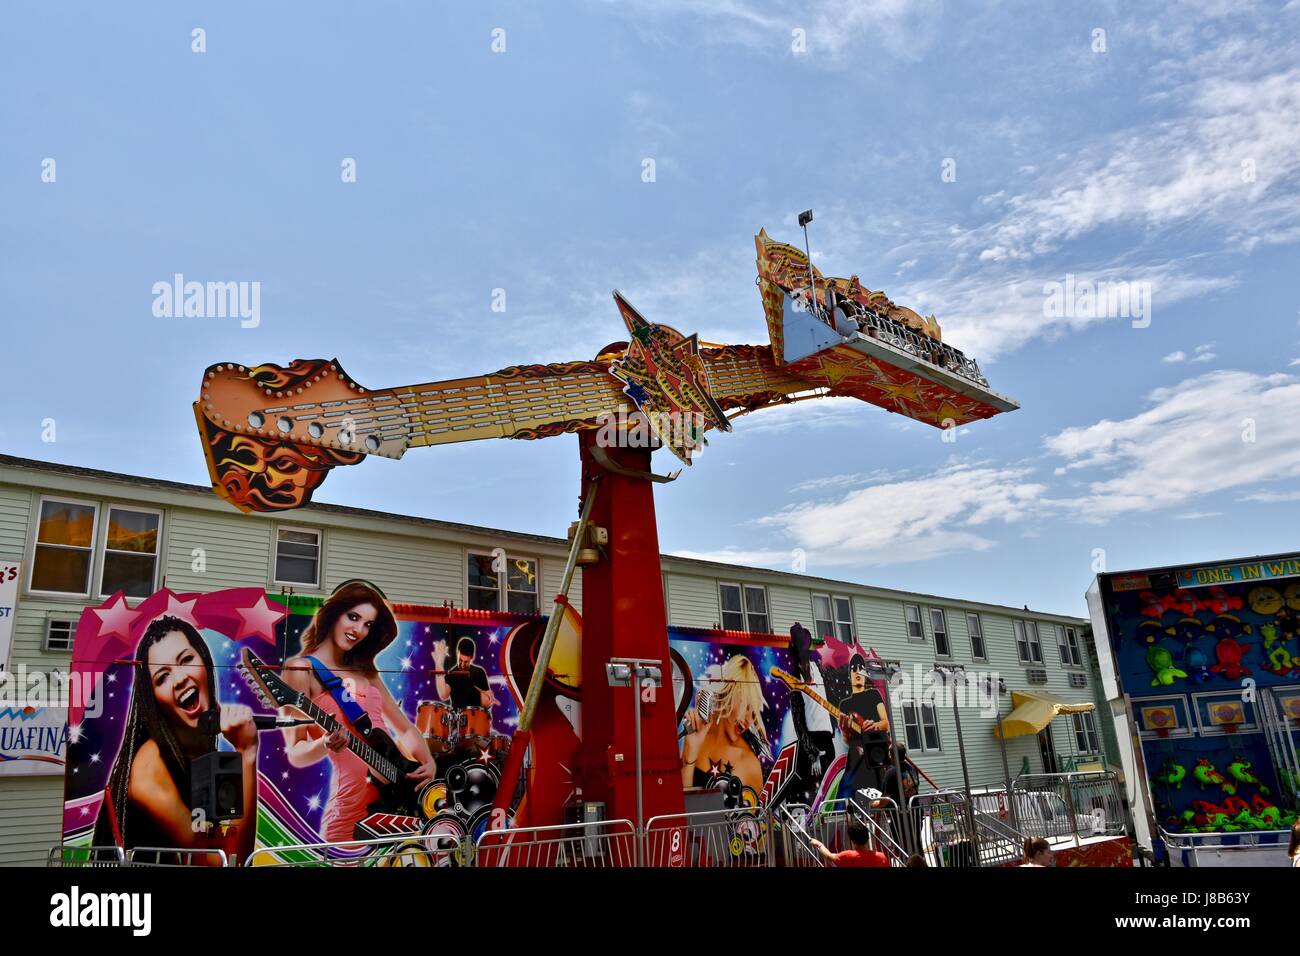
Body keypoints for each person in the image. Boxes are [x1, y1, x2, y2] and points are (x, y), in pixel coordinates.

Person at [92, 615, 259, 865]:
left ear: (205, 661)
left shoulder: (201, 744)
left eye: (186, 660)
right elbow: (221, 864)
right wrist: (246, 753)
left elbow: (226, 848)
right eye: (162, 677)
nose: (180, 679)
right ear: (154, 698)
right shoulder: (150, 767)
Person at [281, 580, 436, 842]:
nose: (359, 630)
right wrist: (324, 743)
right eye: (353, 617)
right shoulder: (300, 669)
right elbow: (296, 754)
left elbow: (405, 728)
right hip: (349, 815)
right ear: (333, 613)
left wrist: (428, 762)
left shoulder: (365, 670)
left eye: (368, 624)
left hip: (396, 809)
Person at [681, 654, 770, 793]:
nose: (749, 720)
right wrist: (690, 751)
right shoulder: (696, 736)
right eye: (746, 707)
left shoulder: (749, 762)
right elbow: (682, 805)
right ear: (726, 695)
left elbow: (755, 814)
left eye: (753, 714)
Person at [838, 653, 890, 801]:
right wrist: (845, 730)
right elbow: (846, 740)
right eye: (853, 669)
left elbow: (885, 723)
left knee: (879, 791)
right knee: (854, 792)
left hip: (876, 750)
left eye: (861, 668)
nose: (857, 671)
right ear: (849, 675)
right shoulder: (844, 704)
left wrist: (874, 725)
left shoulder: (873, 694)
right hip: (856, 757)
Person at [434, 635, 498, 710]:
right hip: (458, 719)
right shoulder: (451, 674)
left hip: (478, 719)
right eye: (460, 660)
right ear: (457, 653)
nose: (462, 665)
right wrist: (439, 665)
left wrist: (489, 699)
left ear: (472, 657)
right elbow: (443, 695)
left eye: (466, 662)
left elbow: (487, 702)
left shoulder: (479, 672)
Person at [809, 822, 889, 867]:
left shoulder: (848, 856)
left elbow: (828, 855)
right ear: (868, 838)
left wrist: (819, 844)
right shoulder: (881, 857)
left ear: (853, 841)